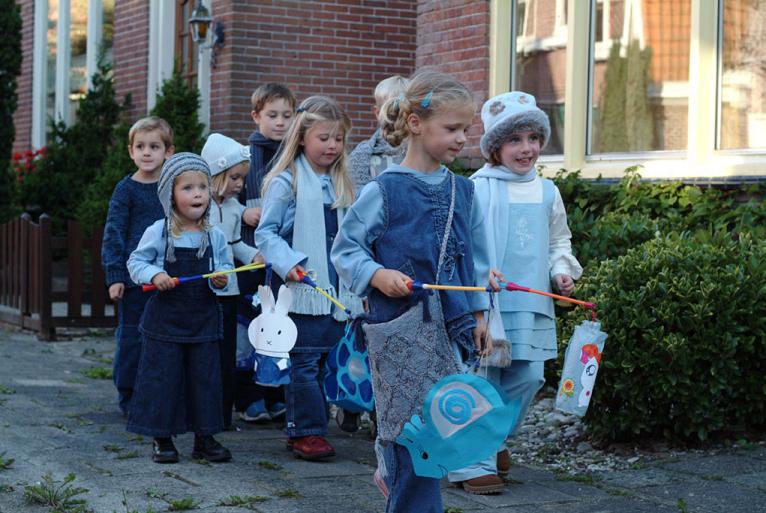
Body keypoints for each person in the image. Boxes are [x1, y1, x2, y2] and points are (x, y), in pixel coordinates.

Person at [331, 70, 492, 513]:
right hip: (399, 330)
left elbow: (472, 260)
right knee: (408, 430)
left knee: (440, 430)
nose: (462, 139)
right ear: (417, 125)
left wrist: (480, 313)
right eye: (452, 128)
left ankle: (404, 485)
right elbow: (345, 248)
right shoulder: (384, 189)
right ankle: (405, 491)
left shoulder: (465, 190)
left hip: (452, 330)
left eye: (466, 129)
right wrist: (377, 274)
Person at [453, 91, 583, 491]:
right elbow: (462, 243)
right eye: (515, 140)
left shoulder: (547, 191)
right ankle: (471, 463)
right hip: (489, 304)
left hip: (531, 304)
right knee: (485, 377)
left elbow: (558, 241)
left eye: (533, 138)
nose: (526, 148)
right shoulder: (476, 188)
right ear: (495, 147)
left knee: (528, 377)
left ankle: (490, 442)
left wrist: (561, 271)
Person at [255, 95, 363, 461]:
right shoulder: (287, 182)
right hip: (301, 287)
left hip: (336, 288)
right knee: (303, 360)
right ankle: (307, 431)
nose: (332, 146)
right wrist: (290, 263)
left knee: (324, 360)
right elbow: (266, 234)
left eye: (338, 138)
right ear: (302, 138)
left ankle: (305, 423)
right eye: (323, 138)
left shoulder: (344, 183)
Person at [127, 153, 235, 464]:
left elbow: (226, 269)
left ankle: (205, 436)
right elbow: (136, 262)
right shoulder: (159, 231)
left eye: (203, 186)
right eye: (188, 188)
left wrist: (220, 280)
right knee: (163, 378)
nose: (198, 193)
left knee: (205, 379)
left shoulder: (214, 236)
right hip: (165, 323)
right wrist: (155, 274)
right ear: (170, 195)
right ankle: (162, 437)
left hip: (202, 321)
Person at [101, 116, 174, 416]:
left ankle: (162, 394)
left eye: (154, 146)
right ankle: (129, 395)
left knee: (165, 339)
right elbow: (114, 232)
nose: (147, 153)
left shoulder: (174, 188)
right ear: (131, 151)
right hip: (134, 281)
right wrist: (115, 275)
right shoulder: (126, 190)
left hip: (169, 279)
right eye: (140, 147)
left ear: (168, 152)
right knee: (132, 338)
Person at [236, 83, 297, 422]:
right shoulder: (246, 156)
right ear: (256, 116)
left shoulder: (294, 156)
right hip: (251, 257)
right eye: (272, 115)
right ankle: (250, 396)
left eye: (287, 115)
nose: (280, 122)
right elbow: (224, 192)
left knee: (281, 326)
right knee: (253, 326)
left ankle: (277, 393)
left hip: (284, 256)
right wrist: (242, 211)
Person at [202, 133, 262, 430]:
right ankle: (202, 410)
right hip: (205, 290)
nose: (240, 184)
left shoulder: (234, 208)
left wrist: (253, 255)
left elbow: (235, 242)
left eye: (242, 178)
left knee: (227, 351)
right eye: (235, 178)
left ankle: (222, 415)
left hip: (229, 289)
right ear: (215, 174)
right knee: (207, 351)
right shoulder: (200, 207)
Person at [347, 75, 409, 194]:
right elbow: (355, 198)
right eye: (393, 112)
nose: (399, 117)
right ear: (377, 112)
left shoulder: (422, 151)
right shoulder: (362, 155)